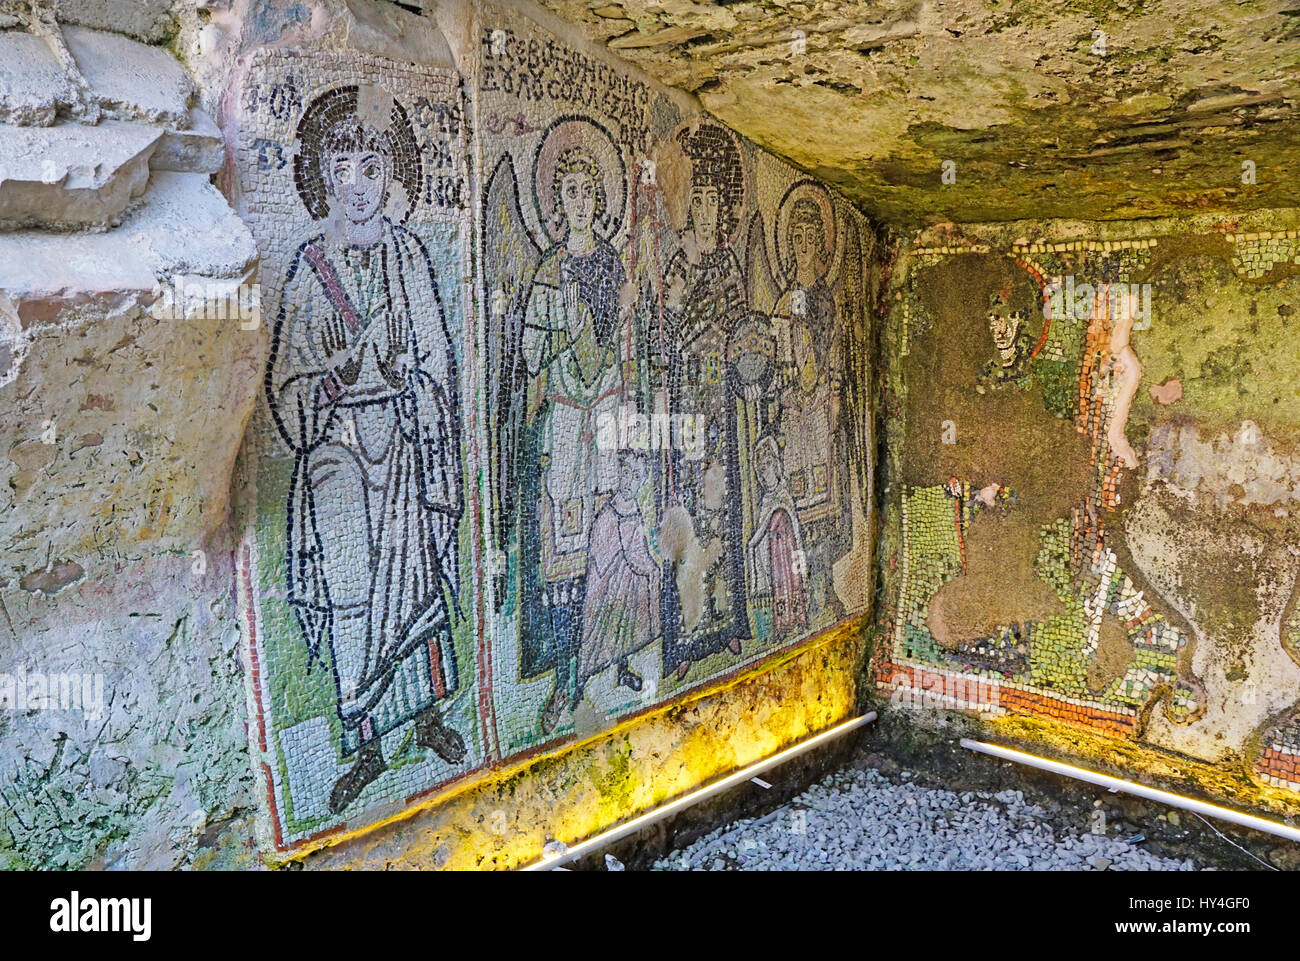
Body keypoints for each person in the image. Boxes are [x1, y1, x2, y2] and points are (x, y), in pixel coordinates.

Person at [266, 88, 466, 815]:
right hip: (337, 460)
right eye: (343, 168)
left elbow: (439, 361)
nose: (358, 184)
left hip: (403, 443)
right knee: (354, 595)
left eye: (372, 167)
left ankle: (429, 716)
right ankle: (368, 744)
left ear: (391, 177)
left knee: (414, 584)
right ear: (324, 177)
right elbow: (285, 388)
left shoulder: (409, 257)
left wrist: (409, 377)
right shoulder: (307, 270)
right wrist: (332, 382)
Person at [525, 144, 630, 734]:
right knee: (566, 552)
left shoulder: (613, 266)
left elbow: (629, 339)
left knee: (614, 536)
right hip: (567, 417)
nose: (581, 202)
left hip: (608, 408)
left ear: (600, 200)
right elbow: (531, 353)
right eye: (571, 193)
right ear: (559, 204)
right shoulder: (549, 270)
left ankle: (611, 658)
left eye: (590, 192)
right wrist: (561, 337)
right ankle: (567, 680)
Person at [574, 452, 661, 703]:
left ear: (642, 482)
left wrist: (649, 568)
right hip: (606, 581)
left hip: (627, 579)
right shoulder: (609, 513)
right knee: (597, 633)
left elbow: (638, 548)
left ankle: (622, 671)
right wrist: (650, 568)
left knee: (625, 625)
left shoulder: (634, 509)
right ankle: (580, 684)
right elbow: (618, 552)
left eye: (636, 476)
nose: (629, 481)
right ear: (619, 473)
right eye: (626, 473)